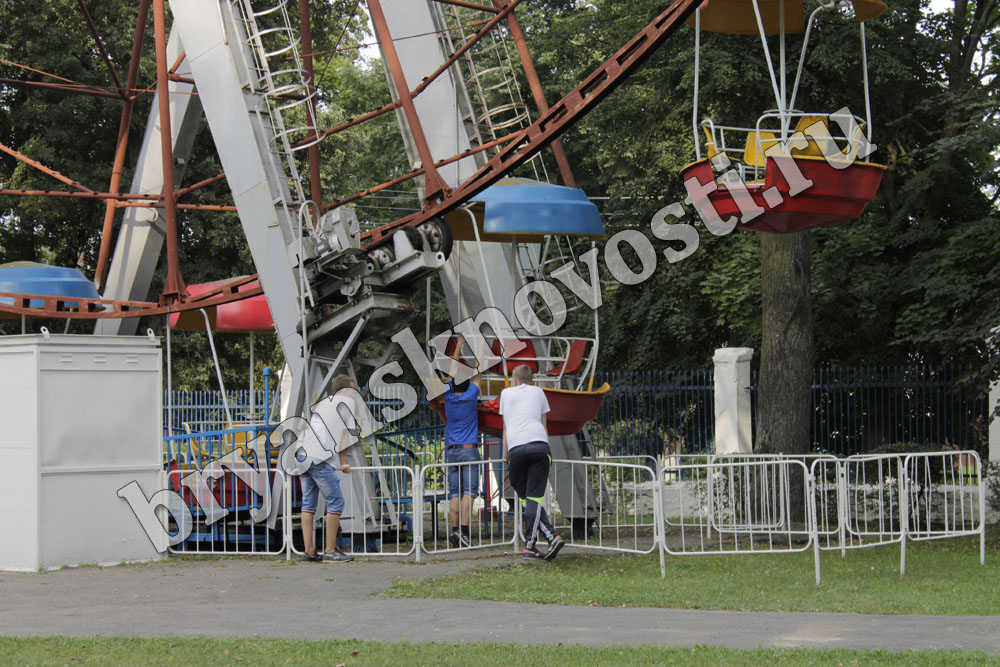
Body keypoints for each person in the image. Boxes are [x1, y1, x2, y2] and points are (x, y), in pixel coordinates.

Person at [499, 364, 564, 561]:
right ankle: (549, 537)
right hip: (540, 447)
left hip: (517, 449)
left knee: (527, 499)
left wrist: (505, 456)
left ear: (515, 380)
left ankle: (533, 544)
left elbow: (505, 427)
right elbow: (543, 424)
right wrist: (547, 449)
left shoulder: (506, 394)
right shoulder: (539, 392)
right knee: (532, 500)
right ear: (531, 380)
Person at [298, 374, 357, 563]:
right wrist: (344, 463)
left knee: (308, 503)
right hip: (319, 458)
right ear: (346, 390)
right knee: (336, 502)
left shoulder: (323, 403)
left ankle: (309, 551)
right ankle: (330, 550)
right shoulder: (347, 405)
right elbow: (345, 437)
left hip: (302, 455)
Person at [441, 333, 483, 548]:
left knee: (454, 494)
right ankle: (465, 533)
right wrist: (479, 346)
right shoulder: (470, 397)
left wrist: (458, 345)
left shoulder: (448, 397)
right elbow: (479, 372)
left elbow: (451, 372)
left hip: (452, 452)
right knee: (470, 493)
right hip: (469, 450)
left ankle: (455, 532)